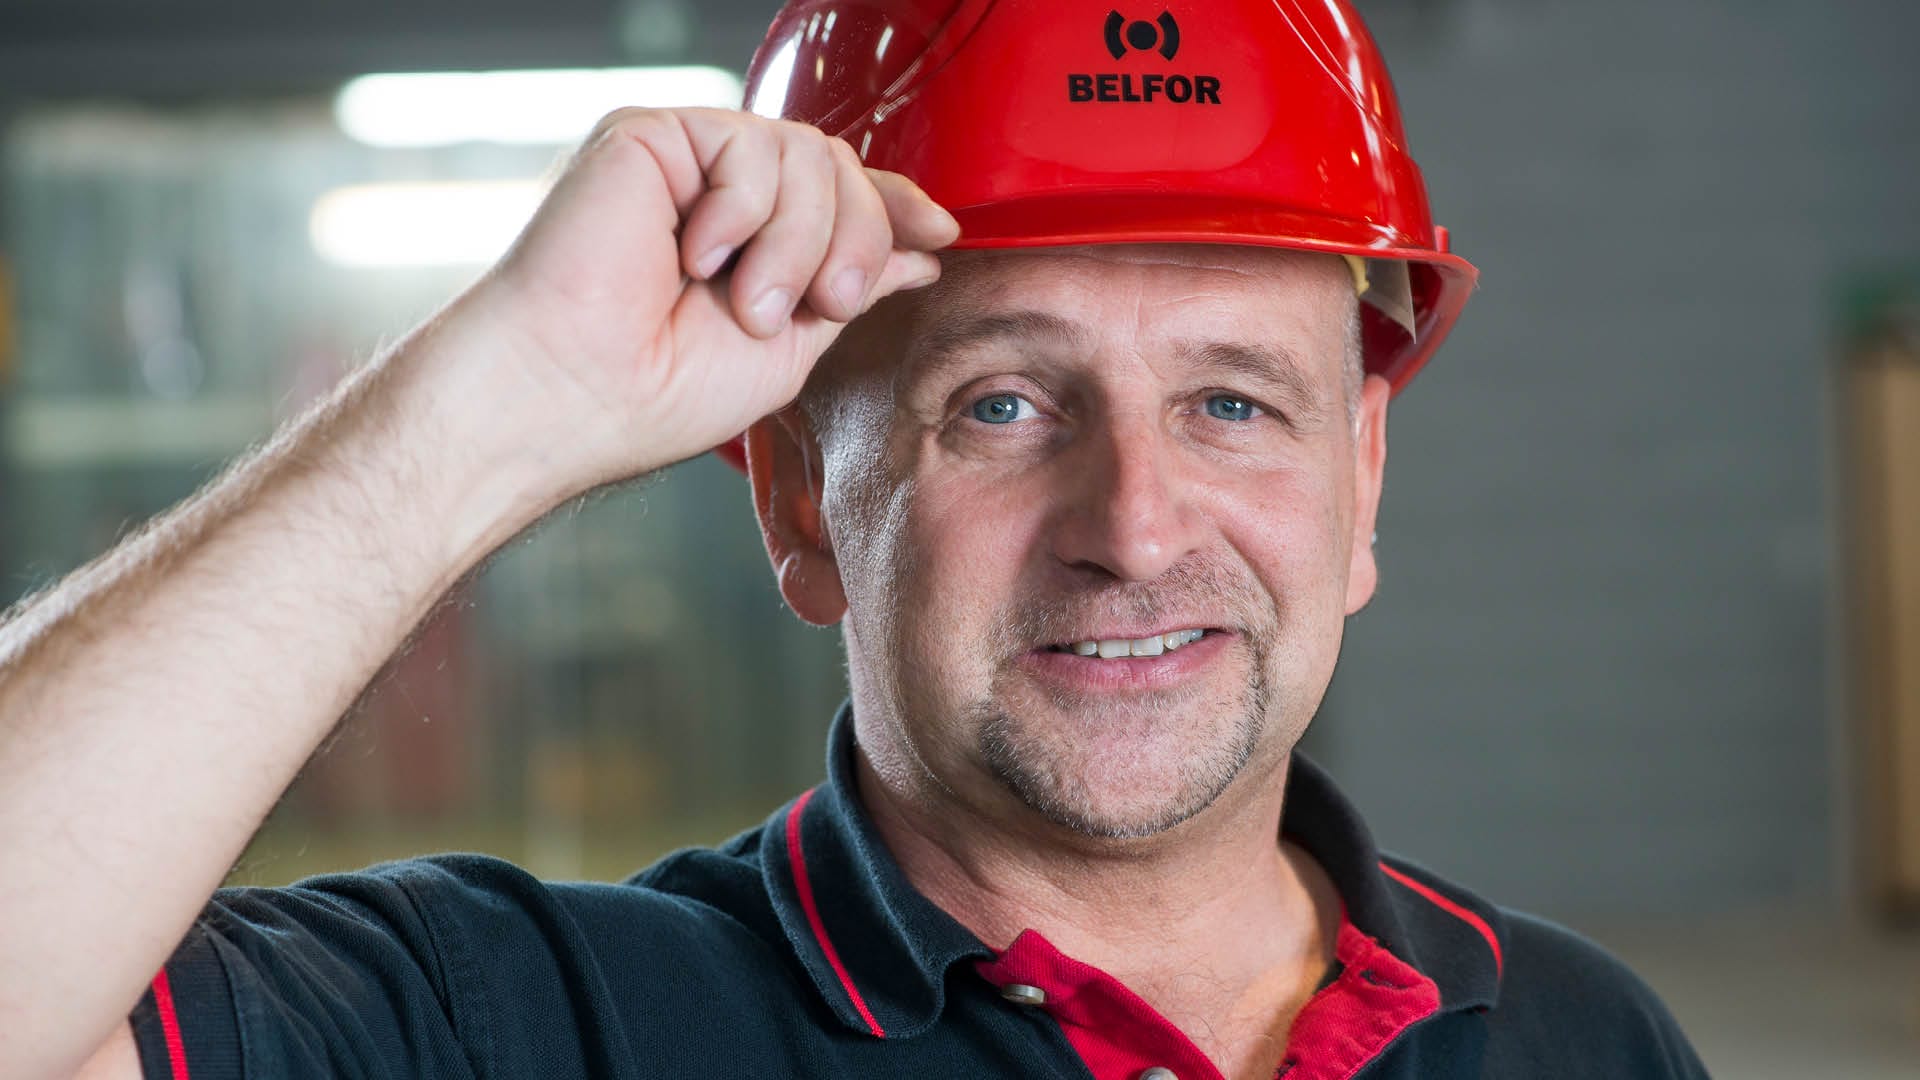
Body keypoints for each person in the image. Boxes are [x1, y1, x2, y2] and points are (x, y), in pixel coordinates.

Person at [2, 1, 1709, 1078]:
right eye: (1004, 406)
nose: (1130, 526)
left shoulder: (1577, 1034)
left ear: (1364, 485)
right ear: (799, 502)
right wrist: (493, 402)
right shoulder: (532, 1019)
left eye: (1234, 405)